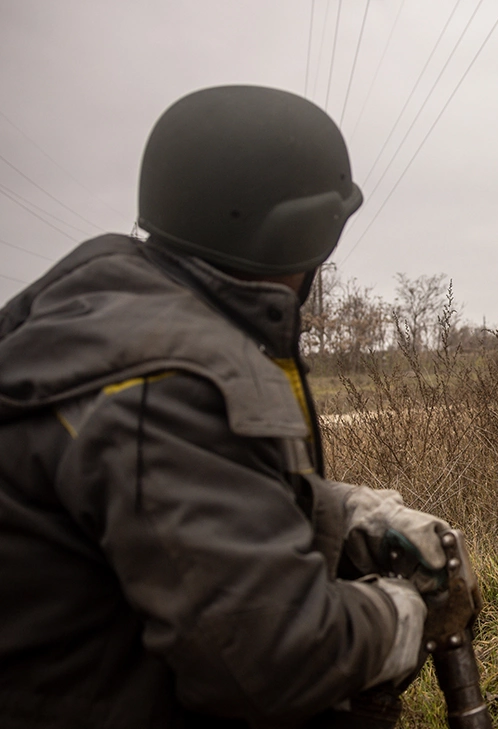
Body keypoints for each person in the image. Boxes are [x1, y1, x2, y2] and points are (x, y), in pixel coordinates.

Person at [0, 85, 454, 727]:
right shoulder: (169, 383)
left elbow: (186, 496)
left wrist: (346, 514)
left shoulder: (115, 321)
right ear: (301, 235)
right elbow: (271, 658)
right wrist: (402, 615)